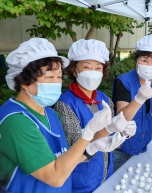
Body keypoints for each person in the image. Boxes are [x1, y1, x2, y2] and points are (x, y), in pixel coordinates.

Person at [0, 38, 125, 193]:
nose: (56, 83)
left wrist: (90, 150)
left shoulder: (50, 114)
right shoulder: (16, 120)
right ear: (24, 81)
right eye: (49, 77)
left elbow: (66, 159)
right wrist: (87, 134)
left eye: (59, 77)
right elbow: (55, 177)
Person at [54, 39, 135, 193]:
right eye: (86, 67)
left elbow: (111, 136)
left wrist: (123, 132)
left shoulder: (103, 98)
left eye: (98, 68)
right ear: (74, 69)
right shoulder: (65, 103)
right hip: (81, 179)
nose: (93, 72)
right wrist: (109, 128)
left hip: (105, 173)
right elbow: (75, 147)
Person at [112, 34, 152, 170]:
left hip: (147, 147)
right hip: (122, 149)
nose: (149, 65)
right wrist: (139, 99)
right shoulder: (124, 82)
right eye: (145, 60)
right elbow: (121, 117)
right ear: (136, 61)